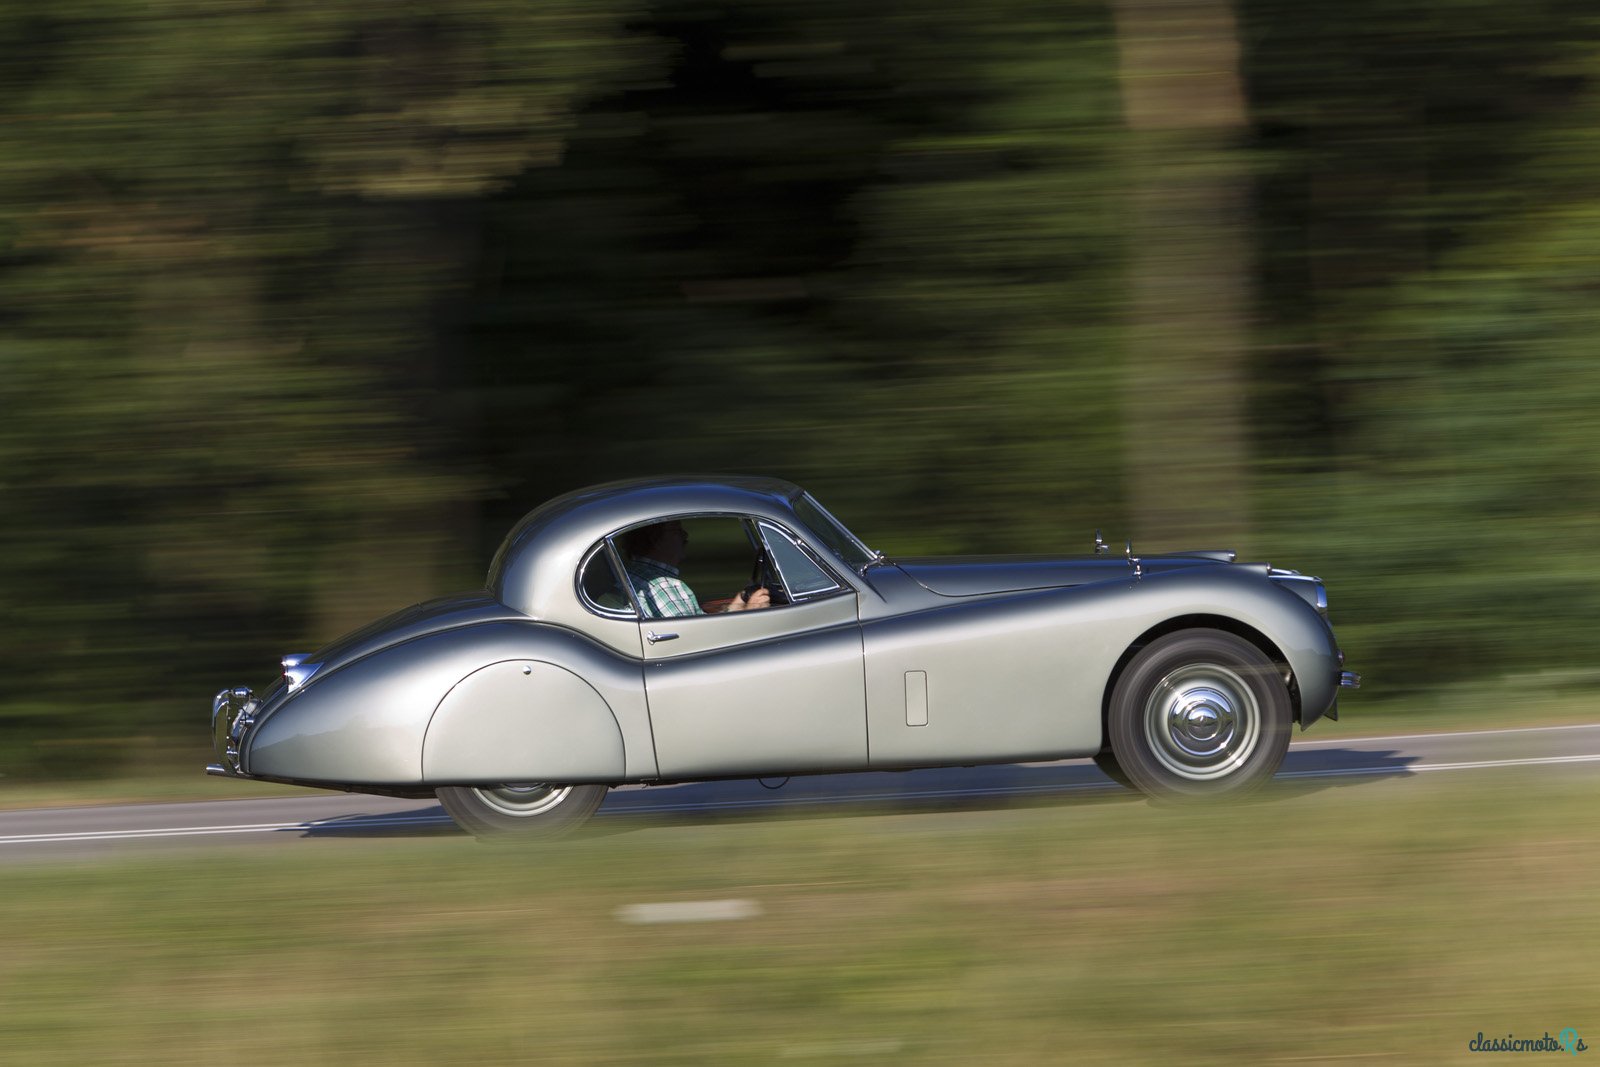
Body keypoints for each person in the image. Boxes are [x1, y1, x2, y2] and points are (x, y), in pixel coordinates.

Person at [622, 520, 771, 618]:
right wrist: (751, 614)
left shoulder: (632, 574)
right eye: (676, 530)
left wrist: (733, 610)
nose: (684, 535)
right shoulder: (664, 585)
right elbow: (697, 643)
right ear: (654, 538)